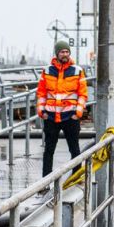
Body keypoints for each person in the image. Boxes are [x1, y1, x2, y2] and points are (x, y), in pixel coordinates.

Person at [36, 40, 88, 175]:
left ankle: (76, 179)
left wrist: (78, 112)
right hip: (51, 117)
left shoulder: (77, 71)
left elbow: (83, 94)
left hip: (70, 116)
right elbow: (41, 93)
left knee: (75, 150)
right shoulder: (47, 71)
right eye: (62, 52)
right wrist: (42, 111)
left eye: (66, 52)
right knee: (49, 150)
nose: (65, 54)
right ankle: (45, 181)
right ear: (57, 54)